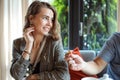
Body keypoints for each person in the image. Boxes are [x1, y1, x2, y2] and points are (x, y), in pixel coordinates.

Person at [10, 1, 70, 80]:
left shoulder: (54, 43)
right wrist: (28, 45)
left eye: (51, 20)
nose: (50, 24)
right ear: (31, 19)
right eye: (45, 18)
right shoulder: (17, 43)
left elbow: (64, 76)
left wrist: (35, 77)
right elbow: (17, 75)